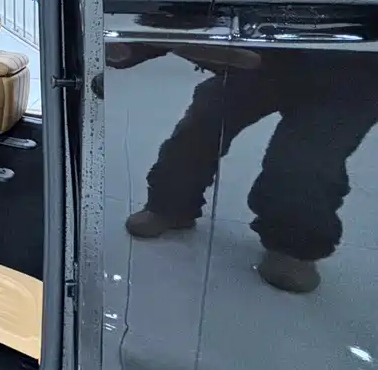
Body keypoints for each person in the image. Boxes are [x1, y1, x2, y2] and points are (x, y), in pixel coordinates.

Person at [113, 43, 378, 294]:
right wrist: (133, 48)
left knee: (302, 158)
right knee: (205, 117)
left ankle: (294, 246)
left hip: (353, 71)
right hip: (267, 52)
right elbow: (183, 15)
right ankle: (170, 205)